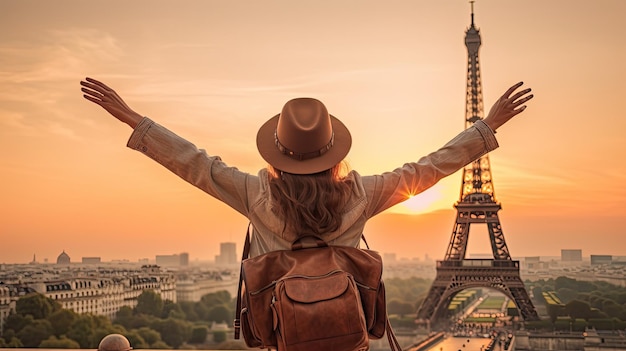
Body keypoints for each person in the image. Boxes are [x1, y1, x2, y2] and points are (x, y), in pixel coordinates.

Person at [80, 78, 533, 257]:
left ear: (277, 152)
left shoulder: (255, 194)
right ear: (333, 149)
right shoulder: (362, 194)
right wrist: (486, 126)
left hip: (284, 330)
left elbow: (195, 163)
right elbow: (427, 169)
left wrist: (133, 119)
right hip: (342, 327)